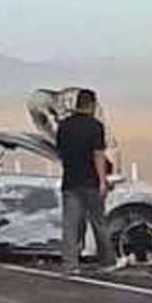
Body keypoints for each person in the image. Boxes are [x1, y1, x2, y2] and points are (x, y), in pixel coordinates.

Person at [56, 89, 117, 274]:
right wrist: (102, 181)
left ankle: (70, 264)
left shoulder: (64, 126)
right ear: (91, 104)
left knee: (71, 224)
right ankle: (107, 262)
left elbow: (60, 152)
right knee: (99, 222)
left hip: (70, 181)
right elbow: (98, 155)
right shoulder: (95, 126)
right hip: (90, 182)